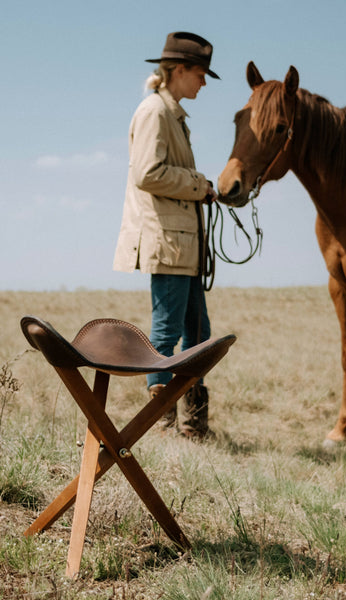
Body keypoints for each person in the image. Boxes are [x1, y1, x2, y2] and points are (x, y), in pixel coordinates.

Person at [113, 31, 219, 439]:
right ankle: (159, 425)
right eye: (200, 73)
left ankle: (192, 426)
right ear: (179, 71)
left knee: (197, 334)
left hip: (183, 244)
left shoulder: (170, 113)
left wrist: (201, 188)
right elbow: (147, 174)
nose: (204, 82)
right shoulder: (155, 112)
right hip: (169, 242)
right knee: (166, 334)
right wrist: (198, 183)